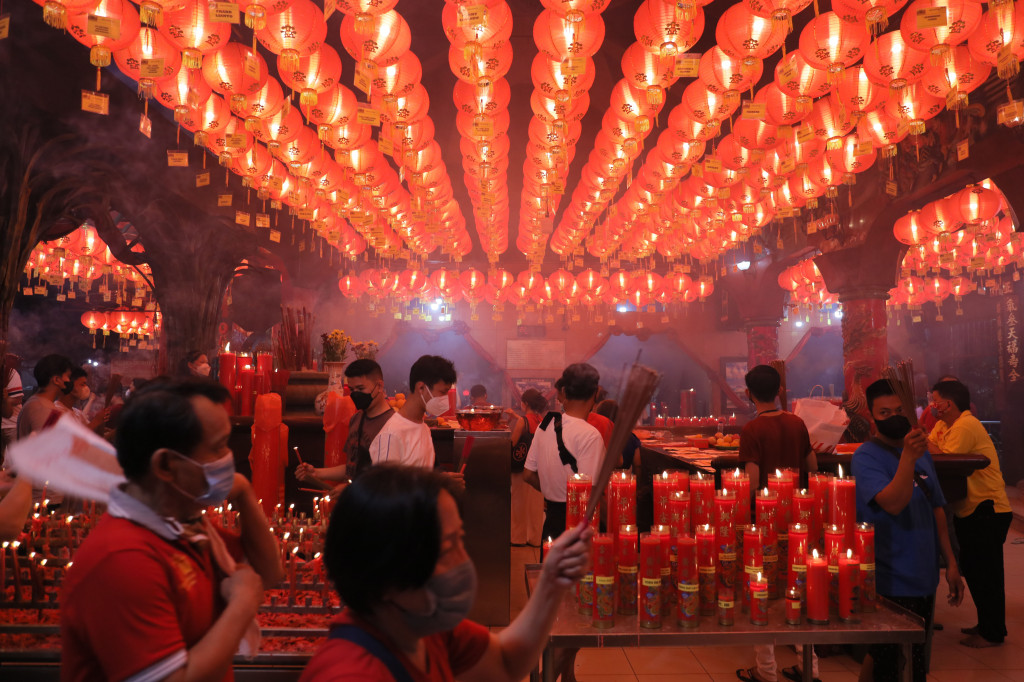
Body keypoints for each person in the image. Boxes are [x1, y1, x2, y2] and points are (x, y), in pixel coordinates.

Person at [61, 379, 283, 682]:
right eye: (218, 447)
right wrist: (242, 605)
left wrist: (243, 492)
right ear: (165, 465)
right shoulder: (123, 559)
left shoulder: (182, 522)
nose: (229, 458)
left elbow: (268, 574)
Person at [300, 465, 592, 682]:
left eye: (461, 542)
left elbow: (505, 663)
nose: (464, 562)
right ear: (385, 572)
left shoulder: (423, 628)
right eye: (447, 549)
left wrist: (552, 582)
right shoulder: (350, 674)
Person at [852, 379, 963, 682]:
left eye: (899, 410)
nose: (894, 417)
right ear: (871, 416)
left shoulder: (921, 451)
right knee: (888, 659)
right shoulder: (865, 457)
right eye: (885, 413)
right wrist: (907, 459)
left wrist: (951, 563)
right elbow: (892, 503)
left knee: (910, 659)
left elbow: (937, 507)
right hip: (889, 577)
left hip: (923, 574)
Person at [736, 365, 818, 682]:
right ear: (779, 391)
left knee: (764, 593)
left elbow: (754, 481)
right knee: (797, 590)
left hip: (765, 522)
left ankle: (766, 670)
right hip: (796, 519)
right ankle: (809, 666)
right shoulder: (797, 424)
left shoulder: (752, 430)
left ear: (748, 394)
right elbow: (810, 466)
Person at [927, 379, 1011, 648]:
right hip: (968, 508)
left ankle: (993, 632)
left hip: (987, 507)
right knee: (974, 569)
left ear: (947, 404)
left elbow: (945, 459)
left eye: (934, 401)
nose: (931, 406)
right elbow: (931, 447)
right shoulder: (944, 424)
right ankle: (986, 623)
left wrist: (919, 439)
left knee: (987, 573)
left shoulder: (965, 424)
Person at [524, 363, 605, 547]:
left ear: (564, 393)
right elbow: (588, 493)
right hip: (577, 527)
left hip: (551, 523)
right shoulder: (590, 435)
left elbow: (528, 475)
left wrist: (552, 492)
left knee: (547, 574)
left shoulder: (545, 426)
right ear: (595, 394)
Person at [296, 359, 395, 492]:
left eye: (361, 389)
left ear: (379, 386)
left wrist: (350, 489)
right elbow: (351, 467)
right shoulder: (356, 419)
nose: (355, 395)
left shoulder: (392, 425)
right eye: (352, 389)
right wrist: (316, 473)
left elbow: (388, 479)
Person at [369, 355, 456, 469]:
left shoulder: (423, 427)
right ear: (421, 388)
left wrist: (441, 481)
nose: (445, 399)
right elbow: (385, 485)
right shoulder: (391, 435)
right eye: (443, 392)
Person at [509, 388, 546, 548]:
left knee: (518, 503)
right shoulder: (541, 420)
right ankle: (535, 538)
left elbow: (513, 442)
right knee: (536, 505)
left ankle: (518, 538)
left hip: (521, 469)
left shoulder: (522, 421)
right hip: (538, 469)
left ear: (525, 404)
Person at [53, 367, 108, 434]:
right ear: (69, 385)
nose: (86, 388)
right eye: (82, 384)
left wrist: (100, 422)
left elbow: (91, 433)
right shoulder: (56, 411)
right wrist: (96, 421)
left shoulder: (78, 414)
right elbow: (74, 438)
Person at [1, 353, 23, 450]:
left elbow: (18, 398)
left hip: (11, 425)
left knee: (15, 461)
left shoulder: (9, 373)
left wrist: (5, 399)